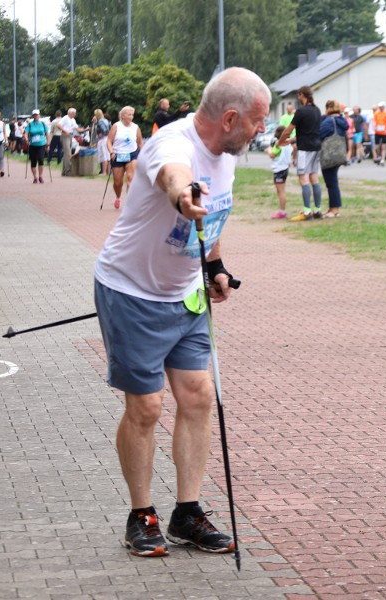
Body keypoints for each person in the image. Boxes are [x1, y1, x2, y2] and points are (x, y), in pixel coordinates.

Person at [93, 67, 270, 558]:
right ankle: (141, 514)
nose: (261, 131)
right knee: (146, 408)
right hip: (131, 292)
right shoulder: (172, 144)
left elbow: (211, 222)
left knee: (197, 397)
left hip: (186, 295)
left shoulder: (227, 156)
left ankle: (186, 512)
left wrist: (214, 265)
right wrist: (182, 196)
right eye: (257, 122)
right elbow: (175, 177)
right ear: (230, 118)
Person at [278, 85, 323, 221]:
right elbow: (308, 132)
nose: (298, 97)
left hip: (304, 149)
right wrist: (292, 140)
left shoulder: (301, 112)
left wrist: (280, 141)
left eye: (298, 95)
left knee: (303, 179)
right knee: (314, 178)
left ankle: (307, 212)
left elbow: (287, 130)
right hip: (316, 147)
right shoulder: (317, 110)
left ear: (302, 95)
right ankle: (317, 210)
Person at [106, 106, 145, 210]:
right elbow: (109, 141)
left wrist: (144, 153)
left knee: (131, 178)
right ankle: (118, 197)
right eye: (129, 115)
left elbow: (140, 142)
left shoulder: (135, 127)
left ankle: (130, 203)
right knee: (118, 183)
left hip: (132, 154)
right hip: (118, 154)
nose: (131, 117)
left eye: (132, 115)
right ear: (123, 116)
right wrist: (111, 152)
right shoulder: (116, 126)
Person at [319, 100, 348, 217]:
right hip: (339, 154)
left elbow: (319, 134)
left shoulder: (329, 122)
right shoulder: (341, 121)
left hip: (329, 155)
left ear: (328, 108)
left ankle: (334, 209)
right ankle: (333, 208)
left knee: (331, 183)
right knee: (333, 181)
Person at [267, 125, 293, 219]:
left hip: (278, 170)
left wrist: (268, 150)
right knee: (281, 191)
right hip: (285, 168)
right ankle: (282, 210)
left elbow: (272, 155)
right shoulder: (289, 145)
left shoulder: (278, 144)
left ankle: (282, 212)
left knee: (281, 192)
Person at [24, 109, 49, 184]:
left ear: (39, 115)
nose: (36, 116)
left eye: (37, 115)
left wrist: (48, 143)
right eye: (34, 115)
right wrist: (26, 140)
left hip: (41, 144)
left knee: (41, 159)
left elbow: (47, 133)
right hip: (32, 144)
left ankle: (40, 176)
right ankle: (35, 177)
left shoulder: (43, 124)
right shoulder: (30, 124)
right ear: (33, 116)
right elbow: (26, 133)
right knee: (33, 161)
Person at [58, 108, 85, 176]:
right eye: (74, 113)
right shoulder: (65, 118)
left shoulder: (73, 120)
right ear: (70, 113)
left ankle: (64, 171)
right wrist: (65, 131)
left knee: (66, 154)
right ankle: (68, 170)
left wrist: (85, 129)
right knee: (68, 153)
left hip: (70, 135)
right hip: (65, 135)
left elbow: (77, 128)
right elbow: (58, 125)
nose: (75, 115)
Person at [372, 101, 386, 166]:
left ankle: (383, 160)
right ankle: (379, 156)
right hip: (377, 132)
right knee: (376, 147)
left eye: (382, 107)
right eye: (379, 107)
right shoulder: (376, 113)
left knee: (384, 146)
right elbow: (374, 121)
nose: (380, 108)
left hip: (384, 132)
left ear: (384, 107)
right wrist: (374, 127)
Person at [92, 109, 111, 175]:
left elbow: (104, 130)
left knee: (104, 156)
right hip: (107, 139)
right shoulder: (106, 120)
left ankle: (104, 172)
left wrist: (101, 133)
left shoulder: (100, 121)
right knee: (108, 156)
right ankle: (108, 172)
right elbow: (109, 128)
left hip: (102, 139)